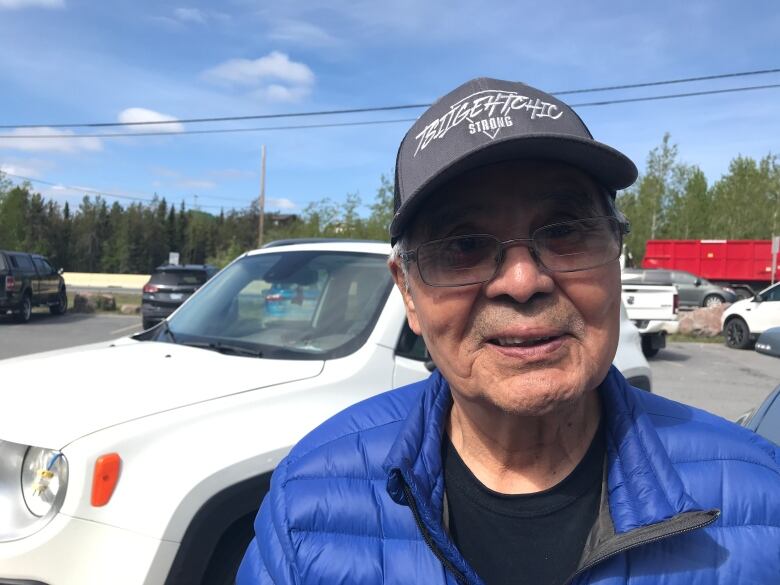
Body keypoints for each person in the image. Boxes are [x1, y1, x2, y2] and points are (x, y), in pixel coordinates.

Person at [237, 78, 780, 585]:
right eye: (463, 245)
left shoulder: (764, 500)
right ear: (409, 293)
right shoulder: (307, 503)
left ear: (615, 258)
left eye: (565, 231)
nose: (522, 282)